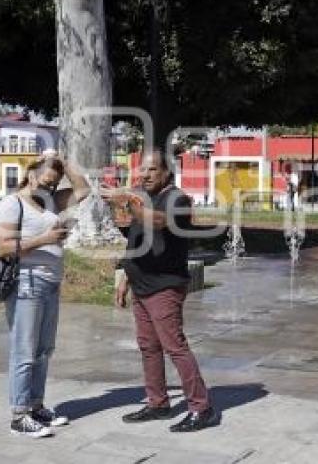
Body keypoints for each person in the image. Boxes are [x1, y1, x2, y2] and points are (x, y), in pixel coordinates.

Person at [115, 149, 215, 433]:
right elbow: (135, 238)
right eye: (141, 170)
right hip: (141, 283)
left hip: (165, 285)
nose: (144, 175)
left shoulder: (177, 199)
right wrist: (125, 276)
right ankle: (158, 403)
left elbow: (157, 221)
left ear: (166, 173)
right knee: (148, 347)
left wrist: (129, 202)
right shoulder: (141, 197)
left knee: (175, 346)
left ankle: (201, 407)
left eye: (151, 170)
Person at [0, 156, 91, 438]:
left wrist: (64, 161)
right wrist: (45, 240)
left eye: (55, 182)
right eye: (46, 180)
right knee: (24, 351)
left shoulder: (48, 202)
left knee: (44, 350)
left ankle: (36, 406)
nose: (51, 186)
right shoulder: (12, 204)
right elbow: (3, 248)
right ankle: (19, 414)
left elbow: (83, 190)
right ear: (31, 175)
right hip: (27, 284)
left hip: (50, 284)